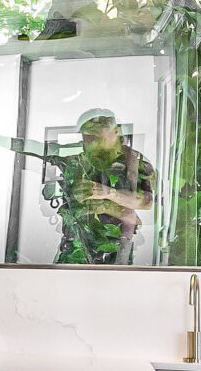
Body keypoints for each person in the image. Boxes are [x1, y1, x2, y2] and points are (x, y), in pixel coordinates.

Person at [52, 109, 155, 264]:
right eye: (87, 137)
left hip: (115, 248)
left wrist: (108, 194)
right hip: (76, 246)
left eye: (97, 136)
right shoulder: (79, 161)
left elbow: (146, 202)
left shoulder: (135, 162)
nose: (92, 142)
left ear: (115, 132)